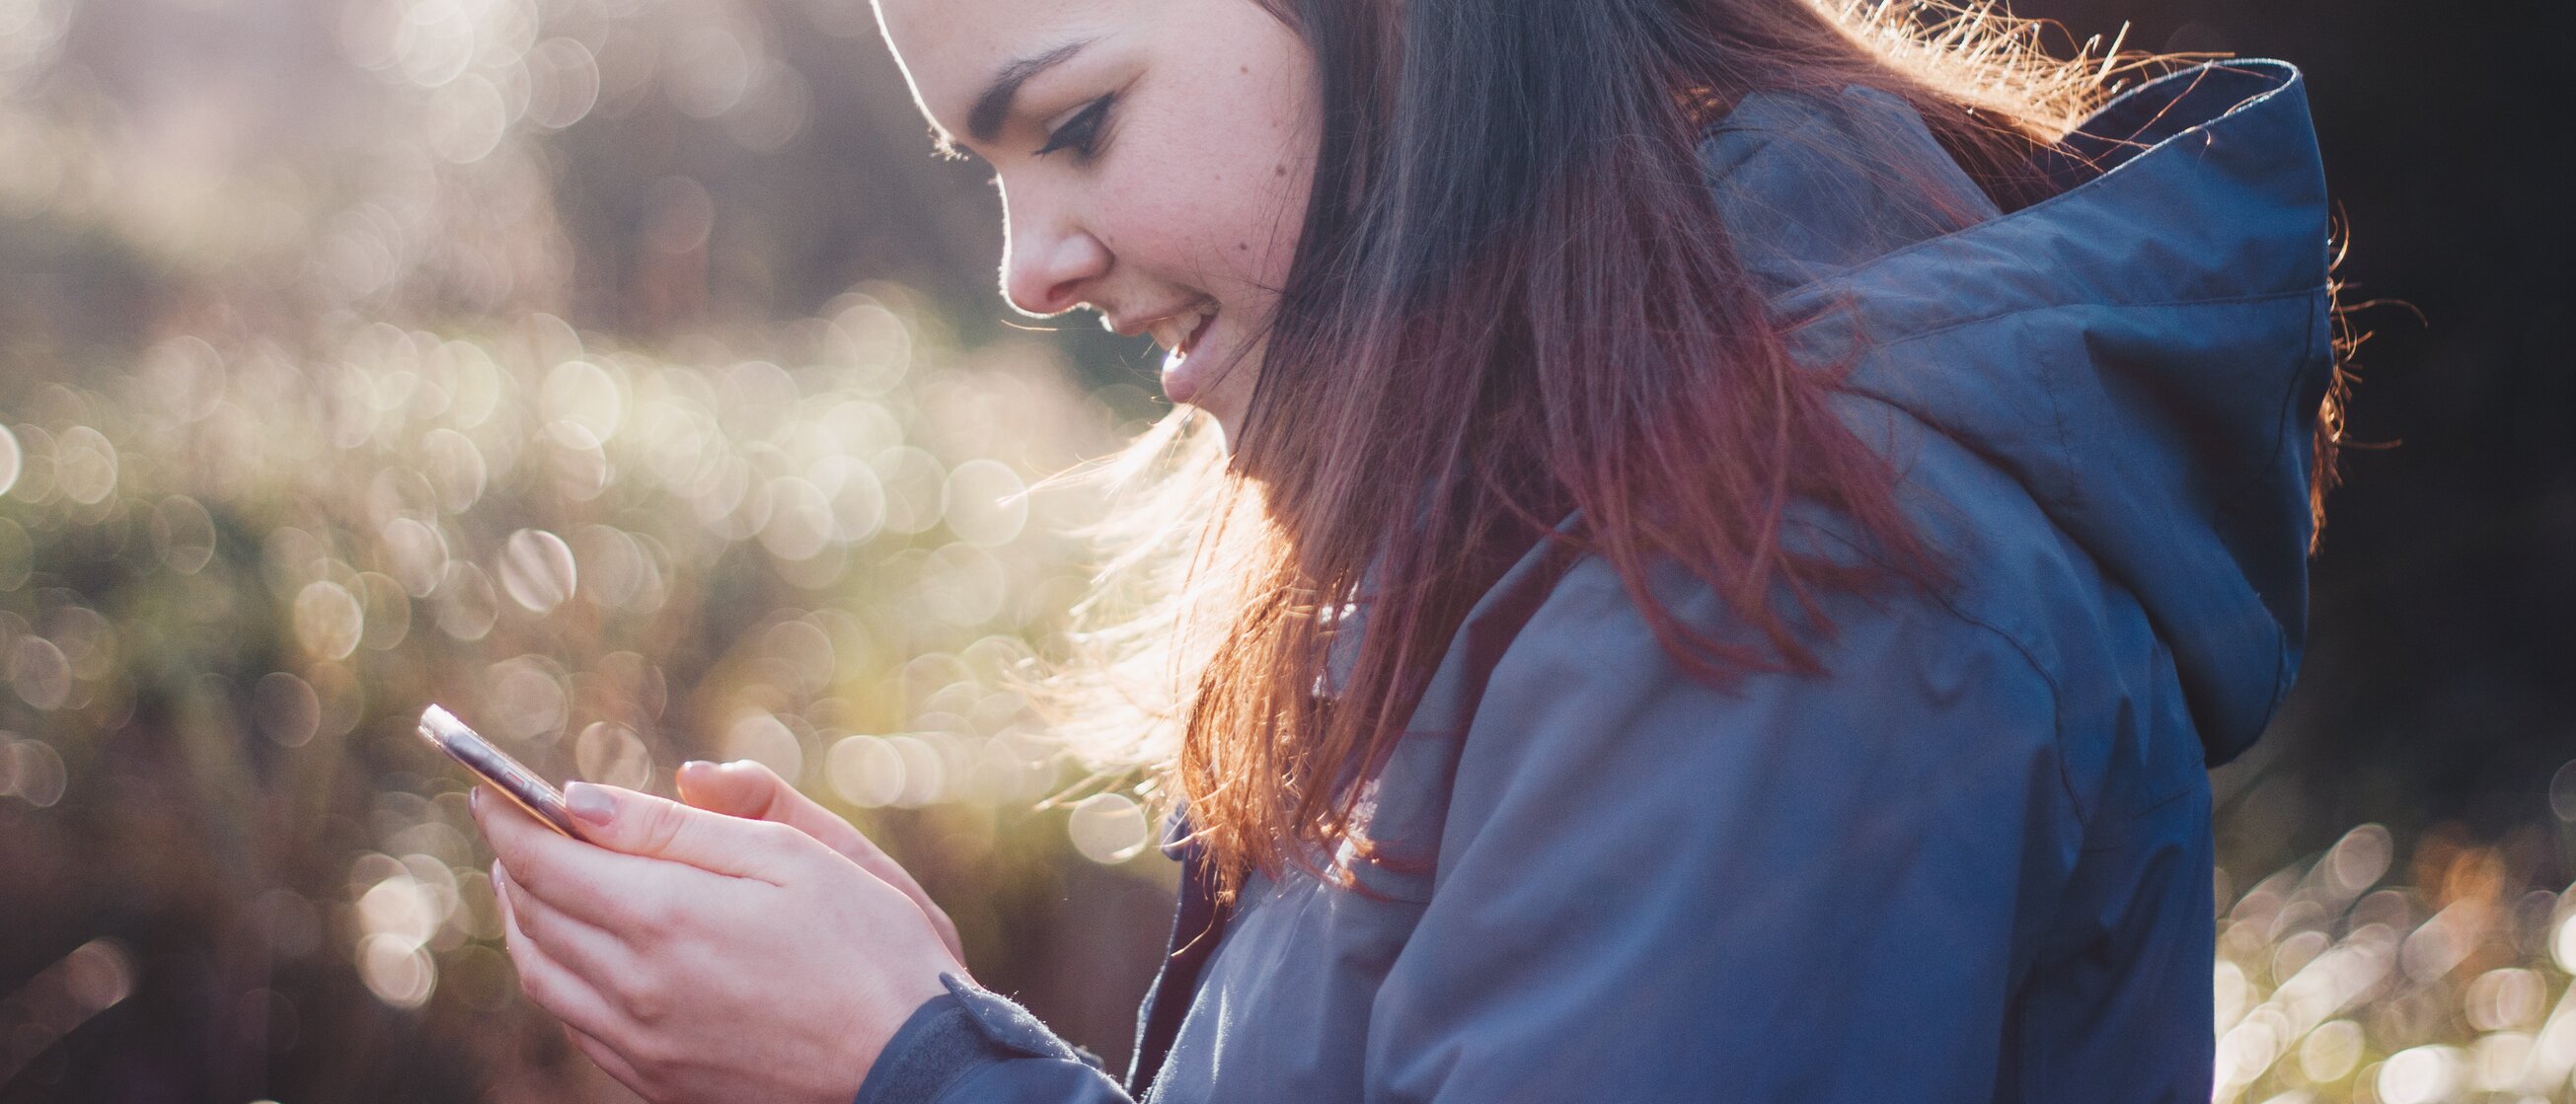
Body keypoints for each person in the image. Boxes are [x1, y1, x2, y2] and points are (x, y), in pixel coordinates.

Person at [468, 0, 2344, 1100]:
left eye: (1076, 126)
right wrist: (909, 1024)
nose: (1027, 267)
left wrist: (900, 1065)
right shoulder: (1569, 515)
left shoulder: (1784, 582)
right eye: (996, 177)